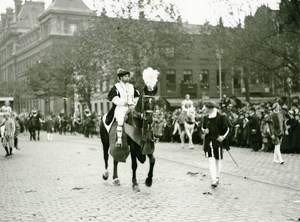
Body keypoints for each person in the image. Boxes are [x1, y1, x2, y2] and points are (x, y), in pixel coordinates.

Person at [106, 68, 140, 147]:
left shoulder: (132, 87)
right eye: (125, 76)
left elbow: (137, 97)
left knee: (142, 117)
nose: (127, 78)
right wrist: (124, 102)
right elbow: (114, 99)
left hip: (132, 107)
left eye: (128, 76)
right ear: (120, 77)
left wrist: (134, 102)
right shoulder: (116, 87)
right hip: (121, 108)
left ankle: (148, 136)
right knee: (121, 120)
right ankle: (119, 140)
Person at [202, 100, 231, 188]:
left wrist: (223, 137)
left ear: (209, 108)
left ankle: (217, 176)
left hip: (218, 141)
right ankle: (213, 179)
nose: (204, 109)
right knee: (211, 160)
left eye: (205, 108)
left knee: (218, 160)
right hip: (208, 142)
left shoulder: (222, 117)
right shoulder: (205, 117)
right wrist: (204, 131)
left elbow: (229, 128)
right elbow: (202, 127)